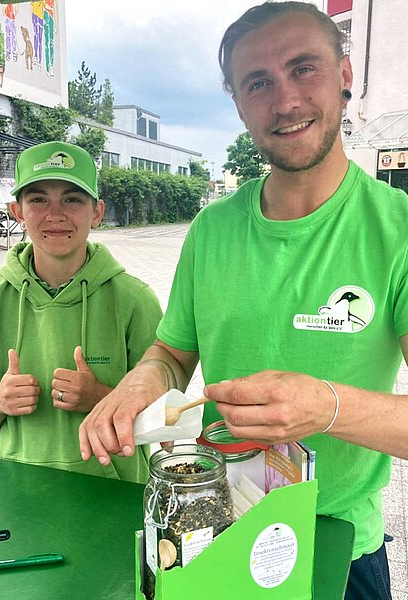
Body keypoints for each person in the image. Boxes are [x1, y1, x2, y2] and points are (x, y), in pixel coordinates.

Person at [79, 3, 408, 598]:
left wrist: (327, 406)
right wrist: (143, 380)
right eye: (258, 82)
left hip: (339, 544)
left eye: (303, 68)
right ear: (237, 102)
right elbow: (172, 354)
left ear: (345, 74)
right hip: (215, 533)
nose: (284, 101)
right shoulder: (212, 229)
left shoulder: (398, 231)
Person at [0, 141, 162, 483]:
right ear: (17, 212)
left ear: (96, 212)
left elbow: (163, 417)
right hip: (15, 487)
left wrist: (101, 398)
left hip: (114, 490)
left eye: (72, 199)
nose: (55, 214)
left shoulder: (135, 300)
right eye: (38, 199)